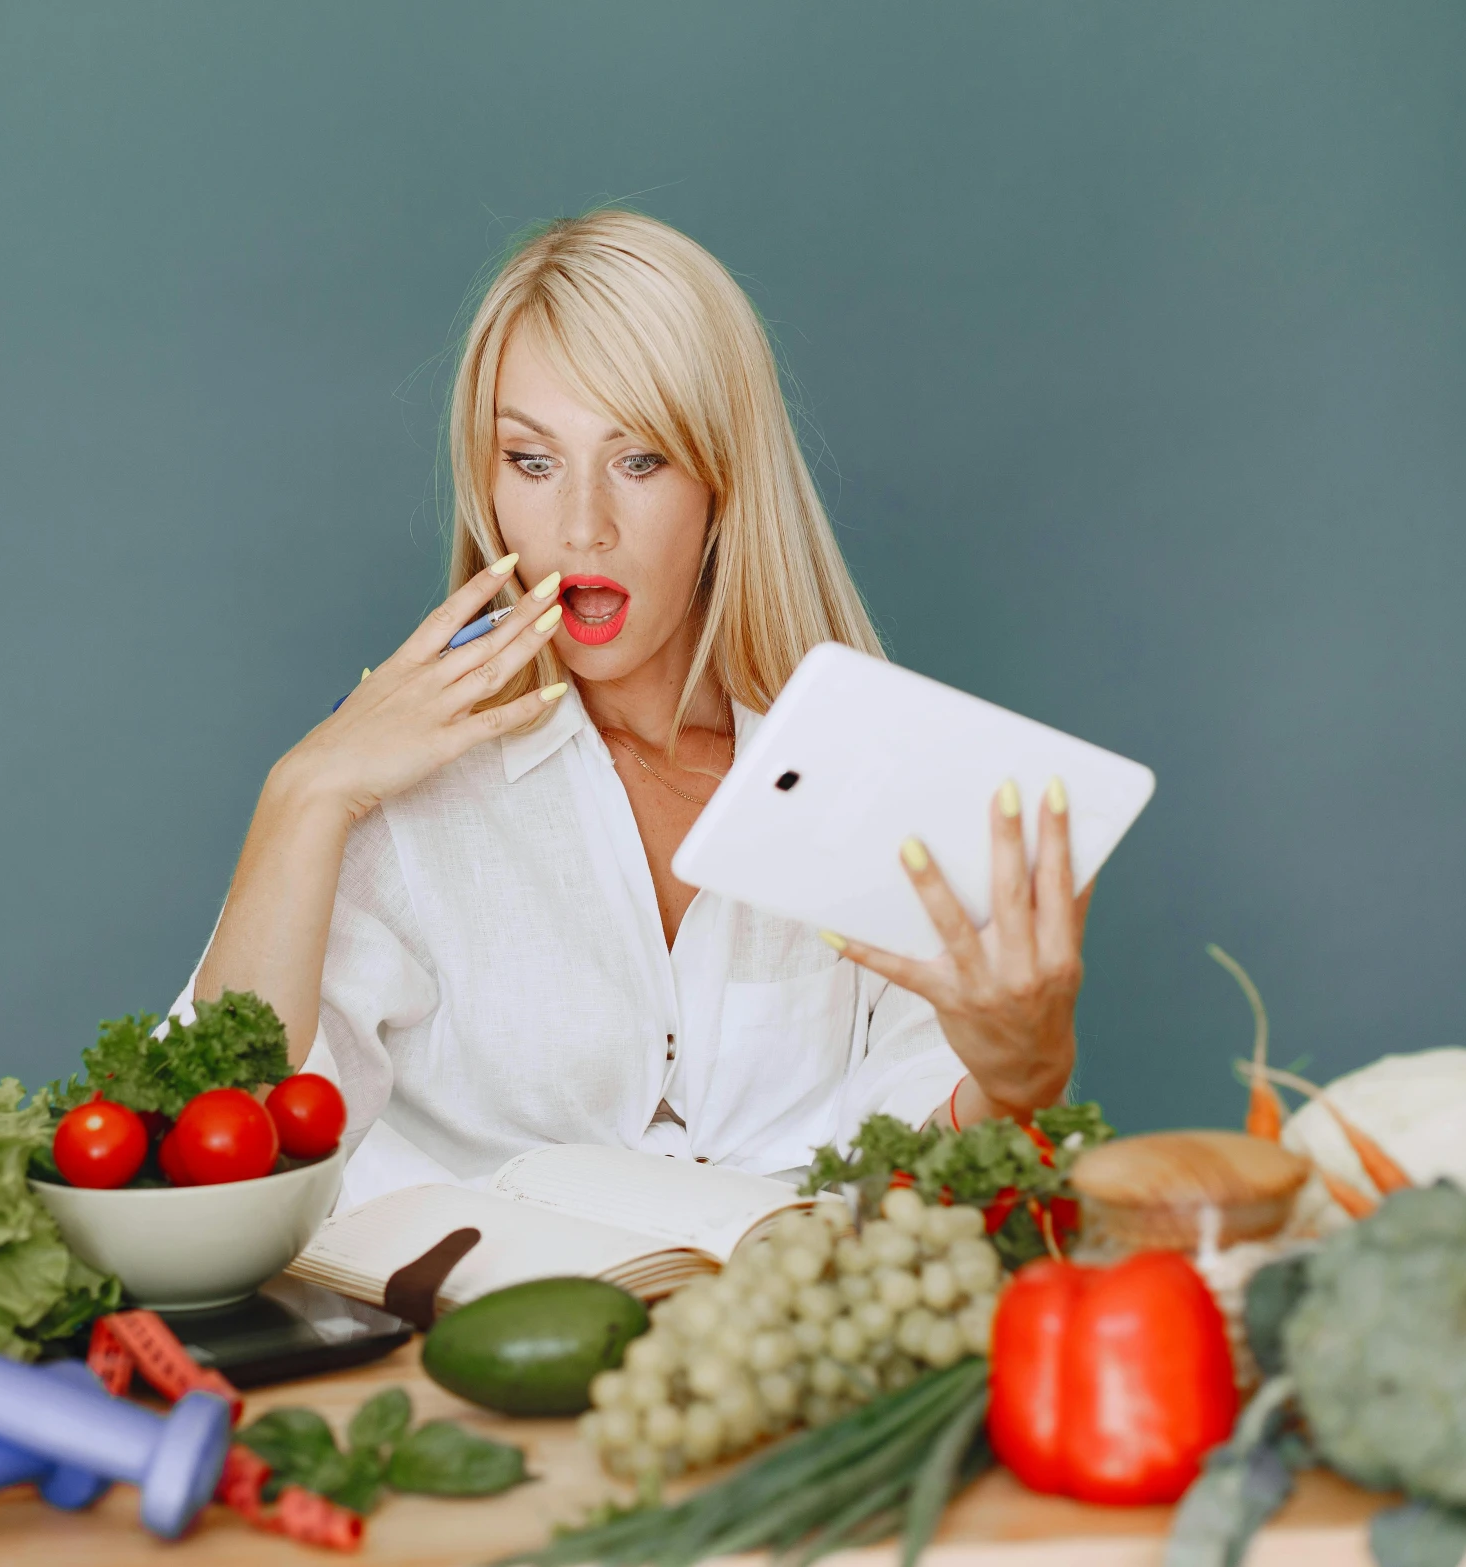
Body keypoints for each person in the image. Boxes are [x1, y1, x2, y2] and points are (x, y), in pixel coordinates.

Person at [180, 210, 1090, 1209]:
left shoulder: (874, 784)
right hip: (466, 1353)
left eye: (639, 460)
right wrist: (303, 792)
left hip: (791, 1345)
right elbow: (209, 1151)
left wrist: (1020, 1076)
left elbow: (927, 1189)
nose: (581, 526)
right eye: (531, 461)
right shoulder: (395, 798)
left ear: (722, 483)